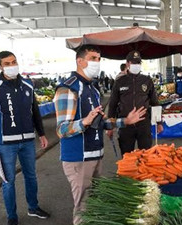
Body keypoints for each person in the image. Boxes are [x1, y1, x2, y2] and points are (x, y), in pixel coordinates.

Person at [54, 45, 147, 225]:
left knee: (95, 205)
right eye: (93, 58)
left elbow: (100, 123)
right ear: (80, 61)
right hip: (78, 158)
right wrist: (84, 122)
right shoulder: (68, 89)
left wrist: (125, 121)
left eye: (99, 58)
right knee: (83, 207)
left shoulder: (93, 89)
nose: (97, 62)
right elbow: (61, 130)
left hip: (95, 155)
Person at [0, 51, 50, 225]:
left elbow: (35, 111)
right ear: (0, 67)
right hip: (5, 143)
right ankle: (12, 216)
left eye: (14, 61)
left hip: (28, 140)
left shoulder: (28, 84)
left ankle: (33, 207)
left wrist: (41, 133)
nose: (12, 65)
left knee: (31, 176)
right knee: (8, 181)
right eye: (7, 63)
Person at [107, 50, 163, 154]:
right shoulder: (119, 81)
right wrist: (110, 126)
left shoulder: (147, 80)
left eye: (138, 63)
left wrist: (159, 122)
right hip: (125, 124)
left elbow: (154, 102)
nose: (136, 65)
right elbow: (113, 104)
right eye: (133, 63)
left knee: (146, 155)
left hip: (144, 124)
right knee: (127, 156)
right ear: (128, 63)